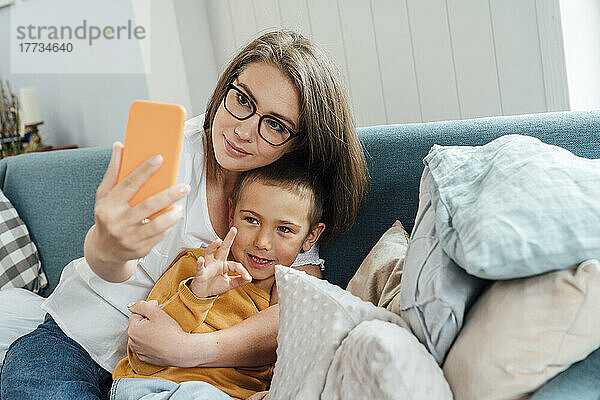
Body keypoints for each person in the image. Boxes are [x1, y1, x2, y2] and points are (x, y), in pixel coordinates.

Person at [0, 30, 367, 400]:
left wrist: (184, 349)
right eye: (242, 100)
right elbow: (112, 262)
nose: (242, 131)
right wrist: (108, 246)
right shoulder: (172, 152)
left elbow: (292, 312)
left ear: (299, 141)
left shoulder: (288, 196)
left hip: (182, 372)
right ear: (227, 87)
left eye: (275, 124)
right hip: (76, 340)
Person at [111, 156, 326, 400]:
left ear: (311, 237)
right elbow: (142, 356)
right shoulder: (197, 266)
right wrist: (197, 294)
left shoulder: (282, 306)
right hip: (155, 388)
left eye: (284, 229)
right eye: (251, 220)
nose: (262, 243)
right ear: (231, 212)